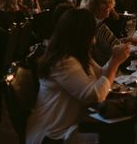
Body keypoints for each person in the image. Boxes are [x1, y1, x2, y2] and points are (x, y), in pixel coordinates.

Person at [26, 9, 130, 144]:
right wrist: (115, 62)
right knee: (119, 134)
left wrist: (114, 59)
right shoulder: (63, 61)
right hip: (54, 135)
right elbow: (95, 95)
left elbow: (100, 74)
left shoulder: (79, 53)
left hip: (74, 124)